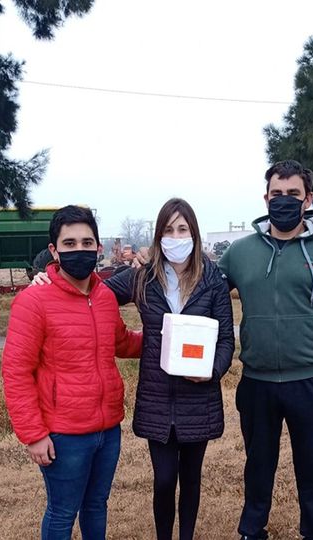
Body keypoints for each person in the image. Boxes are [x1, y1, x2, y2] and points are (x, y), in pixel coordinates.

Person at [218, 160, 313, 540]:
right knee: (258, 467)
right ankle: (251, 530)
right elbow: (198, 289)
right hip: (257, 383)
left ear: (308, 198)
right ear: (265, 198)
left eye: (293, 194)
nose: (284, 201)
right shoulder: (240, 252)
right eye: (276, 194)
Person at [2, 205, 142, 540]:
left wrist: (169, 339)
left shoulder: (105, 296)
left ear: (98, 248)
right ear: (54, 250)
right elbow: (16, 372)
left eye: (86, 242)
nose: (78, 250)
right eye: (69, 243)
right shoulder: (33, 302)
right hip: (64, 434)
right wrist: (33, 434)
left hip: (108, 429)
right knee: (63, 512)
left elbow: (121, 342)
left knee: (97, 505)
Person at [105, 197, 235, 540]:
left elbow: (225, 341)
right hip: (156, 399)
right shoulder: (142, 278)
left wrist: (212, 371)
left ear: (193, 233)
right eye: (168, 230)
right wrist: (52, 276)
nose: (176, 237)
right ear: (158, 235)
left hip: (199, 399)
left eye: (182, 229)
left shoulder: (213, 281)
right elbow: (96, 294)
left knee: (191, 479)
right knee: (164, 480)